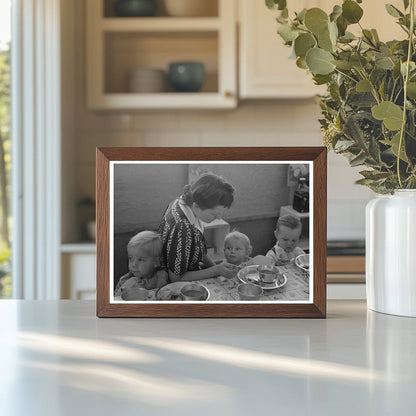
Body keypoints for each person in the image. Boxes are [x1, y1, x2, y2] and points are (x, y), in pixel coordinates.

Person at [158, 173, 238, 282]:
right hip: (174, 281)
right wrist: (216, 270)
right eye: (214, 214)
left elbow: (197, 248)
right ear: (196, 205)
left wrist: (217, 268)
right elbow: (175, 278)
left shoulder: (179, 202)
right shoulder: (183, 229)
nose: (219, 218)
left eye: (221, 214)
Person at [114, 231, 168, 299]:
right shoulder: (124, 281)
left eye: (140, 260)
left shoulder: (162, 277)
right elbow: (115, 300)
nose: (133, 265)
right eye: (130, 258)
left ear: (156, 262)